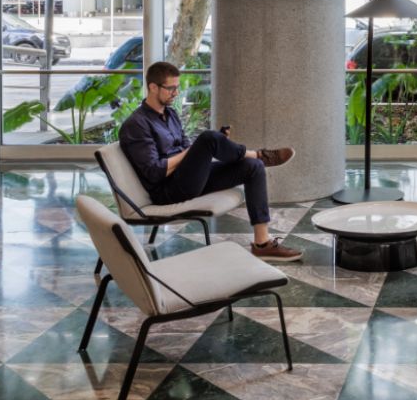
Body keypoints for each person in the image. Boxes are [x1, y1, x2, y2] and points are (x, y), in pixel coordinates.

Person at [118, 61, 301, 262]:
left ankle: (262, 243)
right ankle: (260, 154)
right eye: (171, 88)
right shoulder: (136, 125)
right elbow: (154, 171)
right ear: (153, 87)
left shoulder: (170, 114)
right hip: (168, 190)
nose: (176, 93)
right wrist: (200, 148)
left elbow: (186, 147)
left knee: (252, 167)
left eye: (177, 88)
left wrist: (208, 148)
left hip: (189, 179)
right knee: (208, 138)